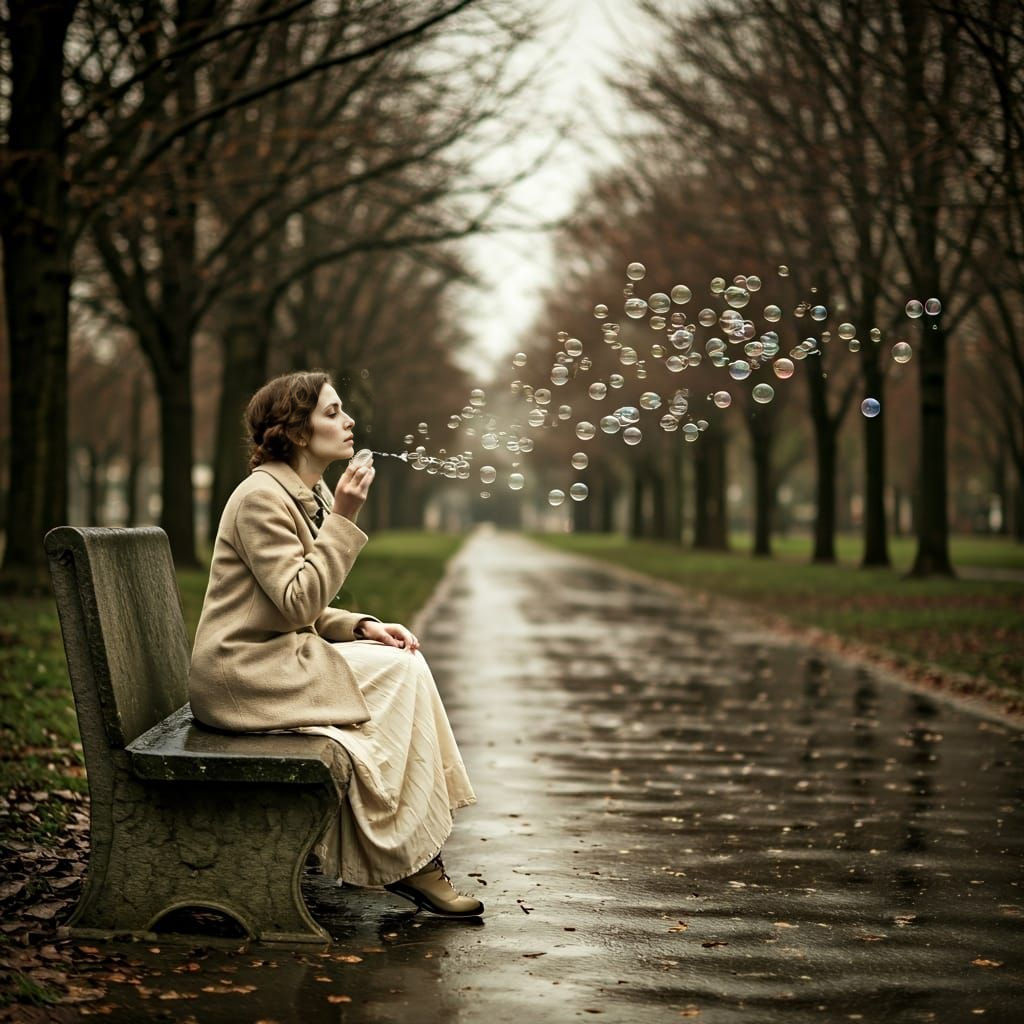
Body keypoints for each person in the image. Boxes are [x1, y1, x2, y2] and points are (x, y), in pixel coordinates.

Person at [187, 369, 483, 918]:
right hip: (241, 675)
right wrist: (344, 519)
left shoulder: (305, 490)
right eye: (331, 412)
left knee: (402, 661)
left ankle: (410, 851)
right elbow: (297, 603)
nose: (348, 422)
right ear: (297, 432)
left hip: (277, 659)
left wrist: (361, 626)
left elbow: (298, 602)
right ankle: (409, 860)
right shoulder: (261, 499)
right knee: (400, 675)